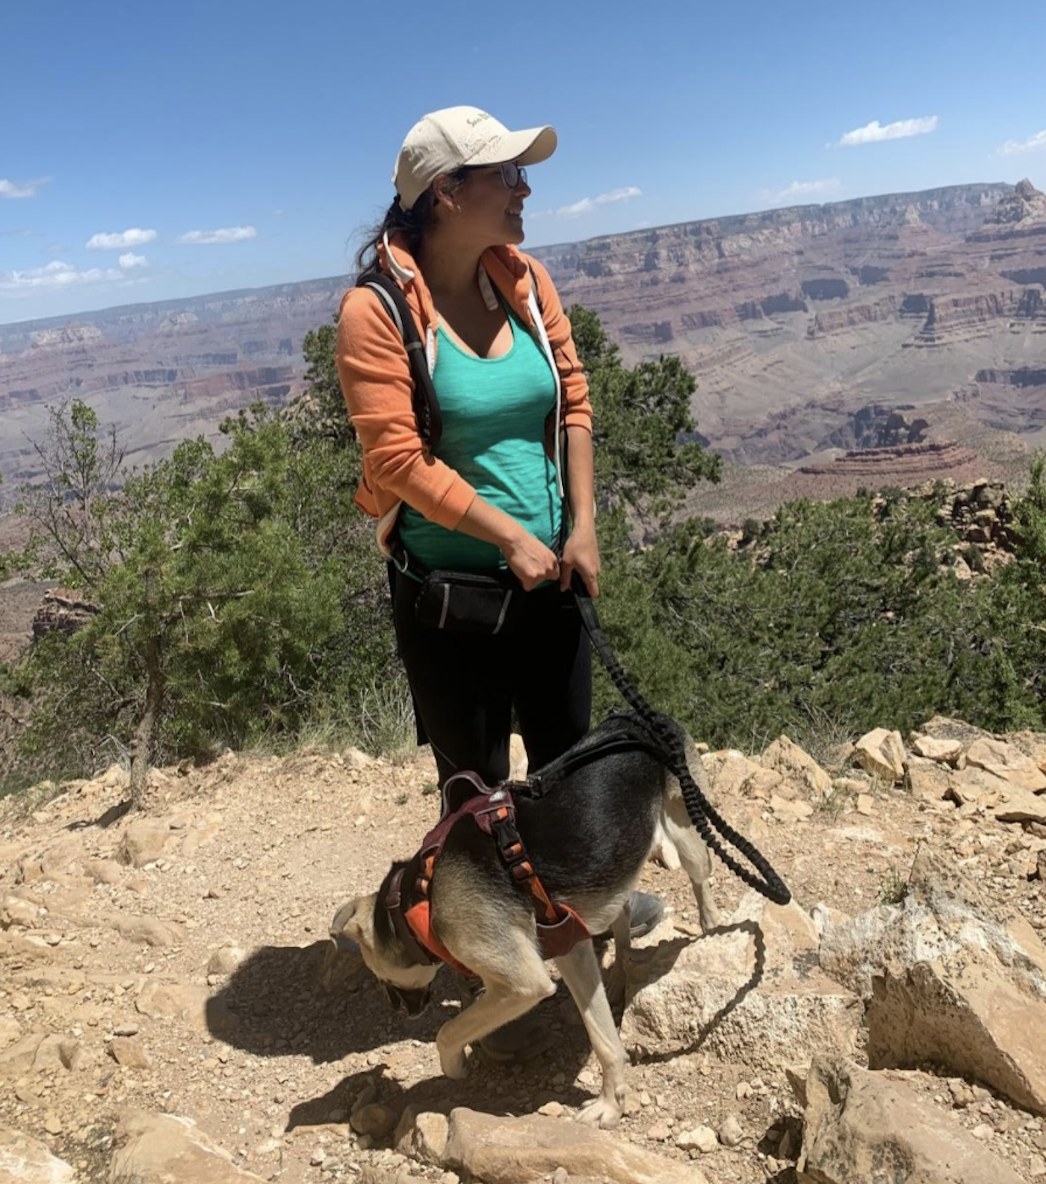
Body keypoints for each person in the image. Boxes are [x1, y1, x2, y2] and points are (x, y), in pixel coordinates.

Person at [336, 105, 662, 1056]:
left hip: (550, 583)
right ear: (447, 194)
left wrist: (583, 524)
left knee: (569, 773)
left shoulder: (524, 280)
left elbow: (575, 398)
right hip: (452, 603)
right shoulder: (376, 311)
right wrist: (506, 534)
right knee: (474, 790)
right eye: (507, 176)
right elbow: (394, 460)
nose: (526, 190)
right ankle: (487, 955)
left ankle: (577, 943)